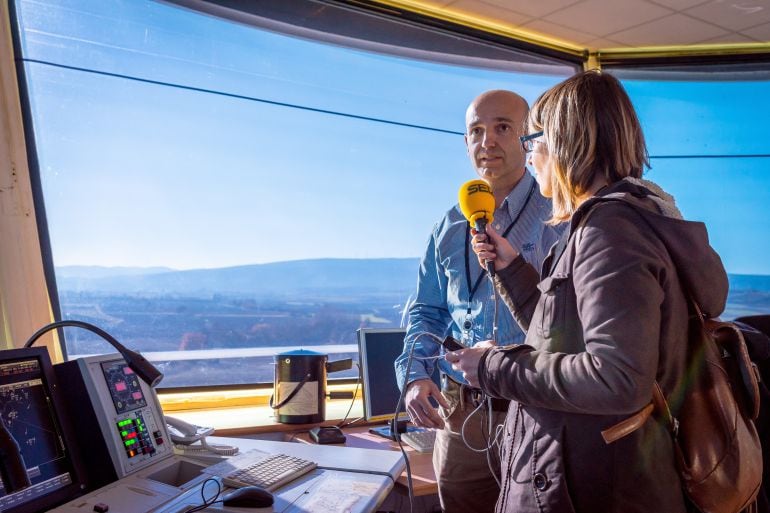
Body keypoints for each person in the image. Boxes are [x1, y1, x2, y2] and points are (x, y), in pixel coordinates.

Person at [447, 70, 728, 512]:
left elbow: (614, 377)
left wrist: (493, 367)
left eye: (532, 138)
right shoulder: (626, 220)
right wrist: (512, 270)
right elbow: (567, 334)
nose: (530, 153)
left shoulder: (610, 231)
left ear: (564, 141)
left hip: (590, 489)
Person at [394, 90, 561, 513]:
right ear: (465, 143)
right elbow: (426, 312)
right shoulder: (448, 227)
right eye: (477, 131)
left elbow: (576, 317)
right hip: (462, 415)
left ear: (528, 139)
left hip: (536, 411)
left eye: (503, 128)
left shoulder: (561, 214)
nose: (488, 141)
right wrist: (414, 377)